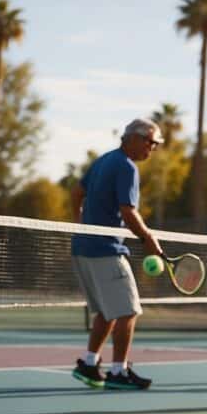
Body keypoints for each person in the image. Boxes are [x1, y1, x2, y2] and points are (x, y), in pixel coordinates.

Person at [70, 118, 165, 390]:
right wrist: (148, 238)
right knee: (128, 311)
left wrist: (79, 225)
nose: (152, 149)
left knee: (108, 311)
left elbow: (76, 192)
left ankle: (89, 364)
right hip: (106, 250)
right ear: (135, 138)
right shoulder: (126, 166)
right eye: (151, 143)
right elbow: (128, 211)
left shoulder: (103, 161)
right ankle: (119, 372)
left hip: (83, 248)